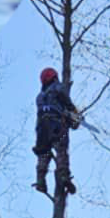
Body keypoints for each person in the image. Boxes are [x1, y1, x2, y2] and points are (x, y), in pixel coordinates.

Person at [33, 66, 80, 195]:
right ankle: (63, 175)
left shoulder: (40, 96)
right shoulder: (58, 88)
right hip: (56, 123)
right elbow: (66, 101)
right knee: (61, 150)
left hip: (41, 128)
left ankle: (40, 180)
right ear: (54, 77)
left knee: (44, 152)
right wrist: (74, 113)